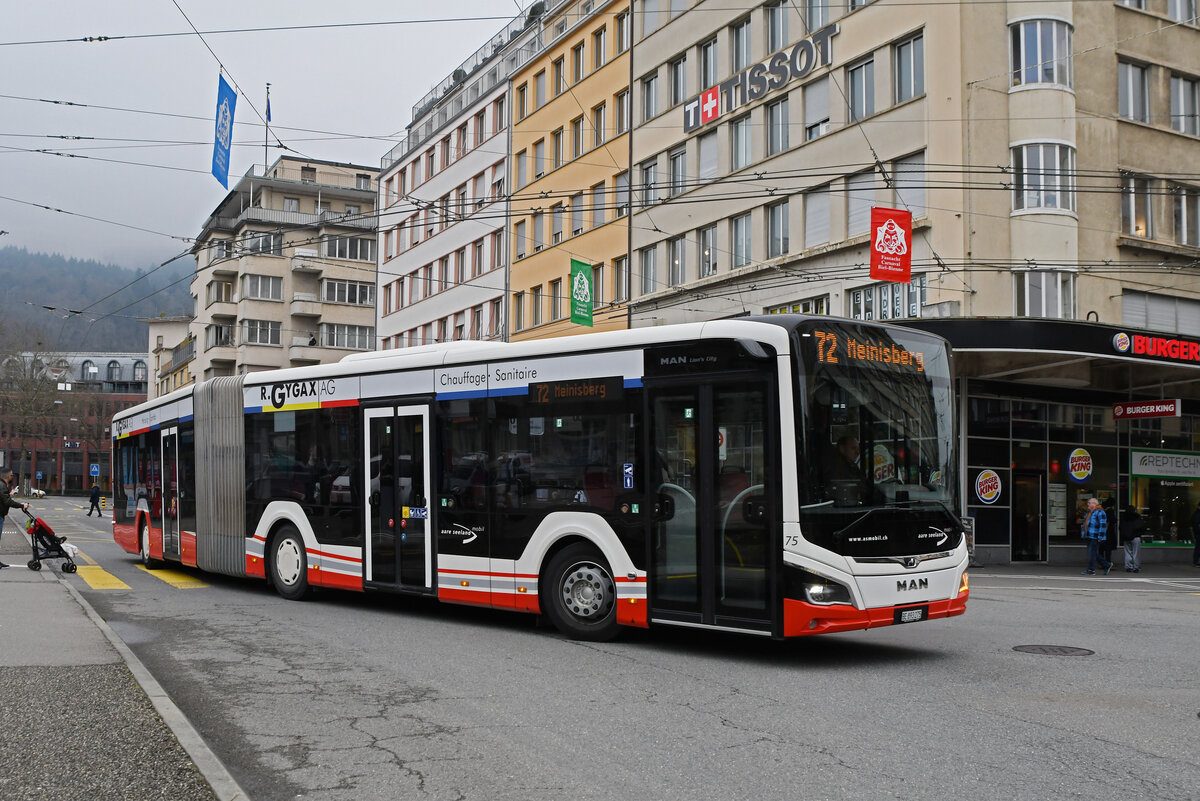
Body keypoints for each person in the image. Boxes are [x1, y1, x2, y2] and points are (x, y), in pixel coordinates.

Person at [0, 467, 31, 569]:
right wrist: (22, 505)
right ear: (8, 476)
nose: (12, 477)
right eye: (12, 475)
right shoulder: (2, 486)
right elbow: (7, 501)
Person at [1080, 497, 1111, 575]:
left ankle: (1091, 570)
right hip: (1089, 536)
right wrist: (1084, 534)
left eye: (1089, 503)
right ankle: (1106, 565)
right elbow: (1085, 524)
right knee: (1093, 553)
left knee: (1092, 553)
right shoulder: (1089, 512)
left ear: (1094, 504)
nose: (1088, 504)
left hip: (1095, 536)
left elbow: (1103, 525)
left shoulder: (1100, 512)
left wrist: (1100, 537)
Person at [1120, 506, 1143, 573]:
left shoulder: (1124, 517)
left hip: (1126, 537)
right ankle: (1136, 567)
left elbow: (1120, 527)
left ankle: (1128, 567)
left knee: (1127, 553)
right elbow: (1140, 526)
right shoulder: (1137, 517)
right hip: (1135, 536)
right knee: (1136, 553)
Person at [1192, 501, 1200, 567]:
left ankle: (1197, 561)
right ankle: (1197, 561)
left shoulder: (1197, 513)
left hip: (1198, 532)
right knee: (1198, 547)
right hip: (1198, 533)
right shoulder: (1197, 514)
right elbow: (1196, 524)